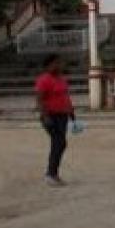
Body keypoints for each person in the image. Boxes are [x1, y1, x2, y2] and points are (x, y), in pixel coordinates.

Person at [35, 54, 75, 187]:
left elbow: (65, 96)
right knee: (59, 142)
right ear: (48, 65)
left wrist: (71, 111)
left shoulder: (61, 79)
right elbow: (40, 99)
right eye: (56, 63)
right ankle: (51, 174)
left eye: (60, 63)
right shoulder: (44, 80)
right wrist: (45, 116)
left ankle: (53, 173)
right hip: (51, 116)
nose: (59, 66)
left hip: (62, 115)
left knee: (59, 143)